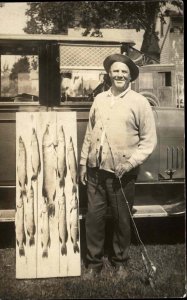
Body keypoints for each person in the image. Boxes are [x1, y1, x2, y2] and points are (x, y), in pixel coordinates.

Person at [79, 53, 157, 279]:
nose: (119, 74)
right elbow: (89, 134)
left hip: (123, 174)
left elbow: (148, 141)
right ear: (109, 74)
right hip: (96, 172)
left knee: (123, 220)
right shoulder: (99, 99)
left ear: (130, 75)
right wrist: (84, 162)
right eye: (116, 71)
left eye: (124, 71)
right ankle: (94, 264)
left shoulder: (140, 102)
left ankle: (120, 262)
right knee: (94, 218)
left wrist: (131, 162)